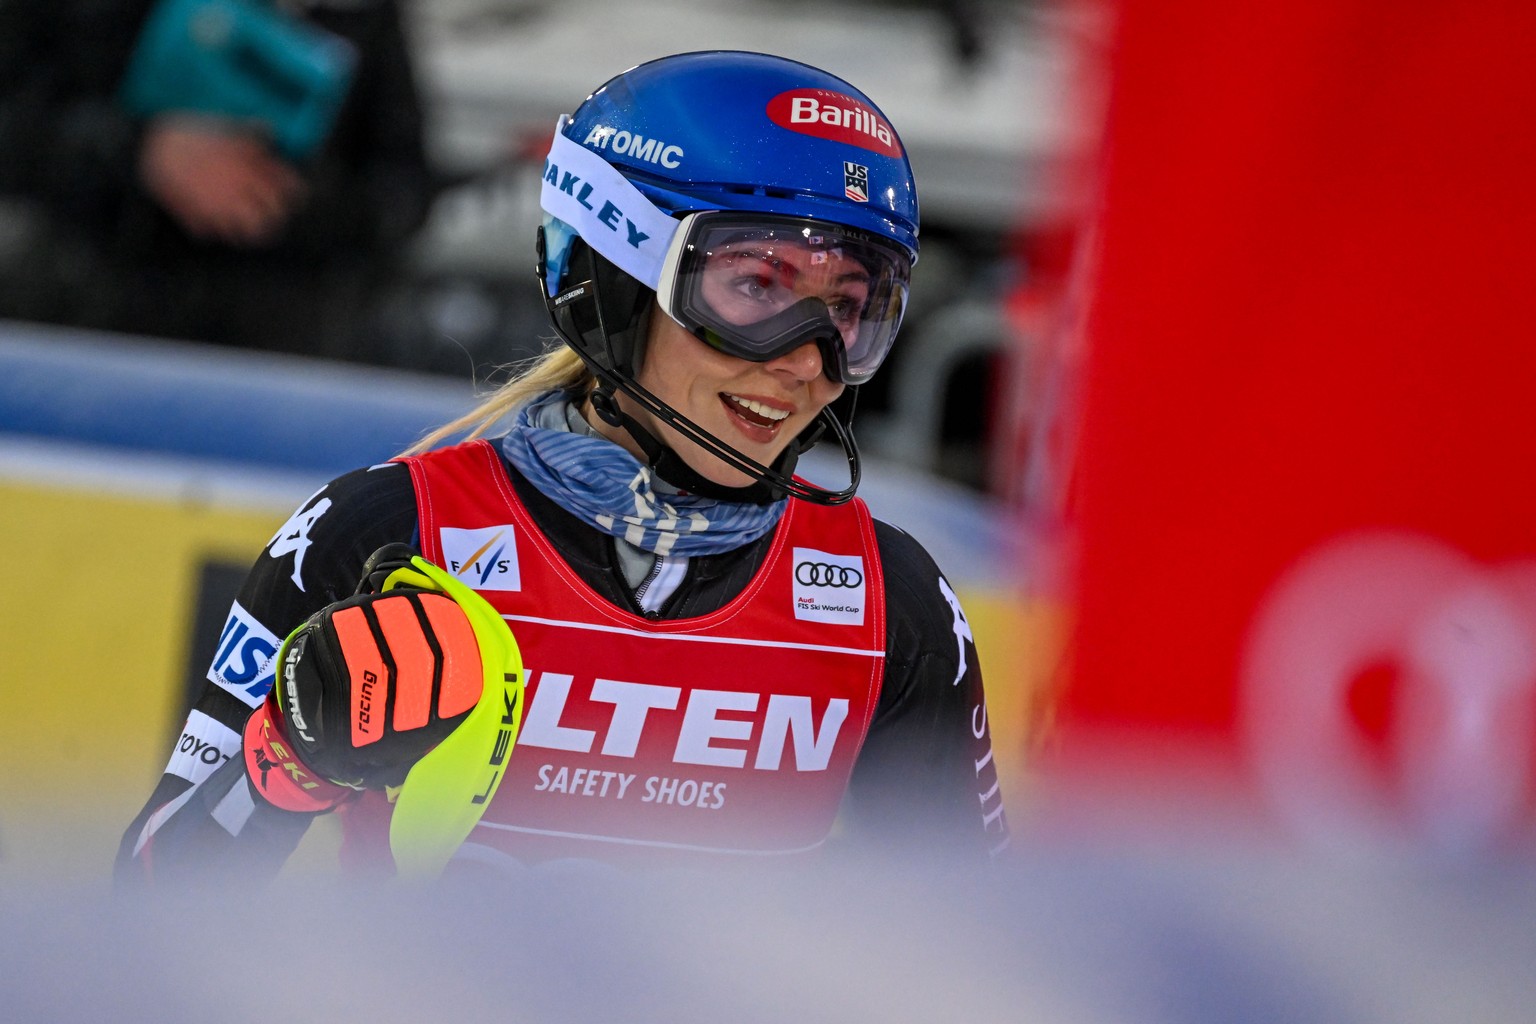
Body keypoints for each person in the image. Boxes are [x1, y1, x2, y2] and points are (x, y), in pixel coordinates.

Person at [116, 50, 1009, 886]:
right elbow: (146, 918)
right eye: (757, 287)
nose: (806, 360)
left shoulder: (886, 600)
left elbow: (990, 955)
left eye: (851, 309)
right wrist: (288, 766)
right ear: (614, 275)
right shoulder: (383, 534)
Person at [0, 0, 434, 362]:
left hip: (277, 353)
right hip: (80, 336)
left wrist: (275, 189)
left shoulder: (361, 14)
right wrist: (143, 154)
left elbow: (401, 187)